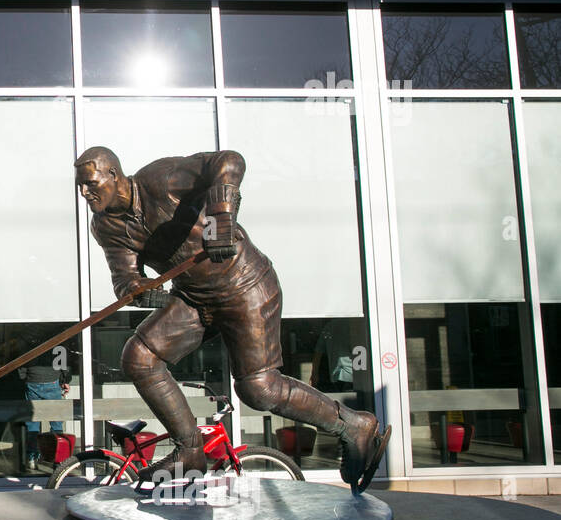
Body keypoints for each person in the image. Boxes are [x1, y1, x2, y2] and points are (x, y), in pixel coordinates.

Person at [74, 146, 391, 494]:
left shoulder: (161, 179)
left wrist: (221, 217)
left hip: (245, 285)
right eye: (81, 187)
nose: (85, 193)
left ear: (114, 175)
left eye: (91, 184)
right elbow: (124, 275)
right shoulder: (105, 226)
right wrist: (137, 290)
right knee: (140, 357)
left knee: (258, 388)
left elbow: (228, 161)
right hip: (194, 298)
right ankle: (190, 450)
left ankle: (355, 426)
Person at [18, 349, 70, 472]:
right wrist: (65, 381)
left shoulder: (28, 343)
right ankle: (58, 460)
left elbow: (21, 368)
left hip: (32, 382)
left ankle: (32, 459)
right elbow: (64, 364)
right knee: (56, 423)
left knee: (33, 423)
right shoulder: (57, 341)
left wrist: (26, 377)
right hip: (52, 381)